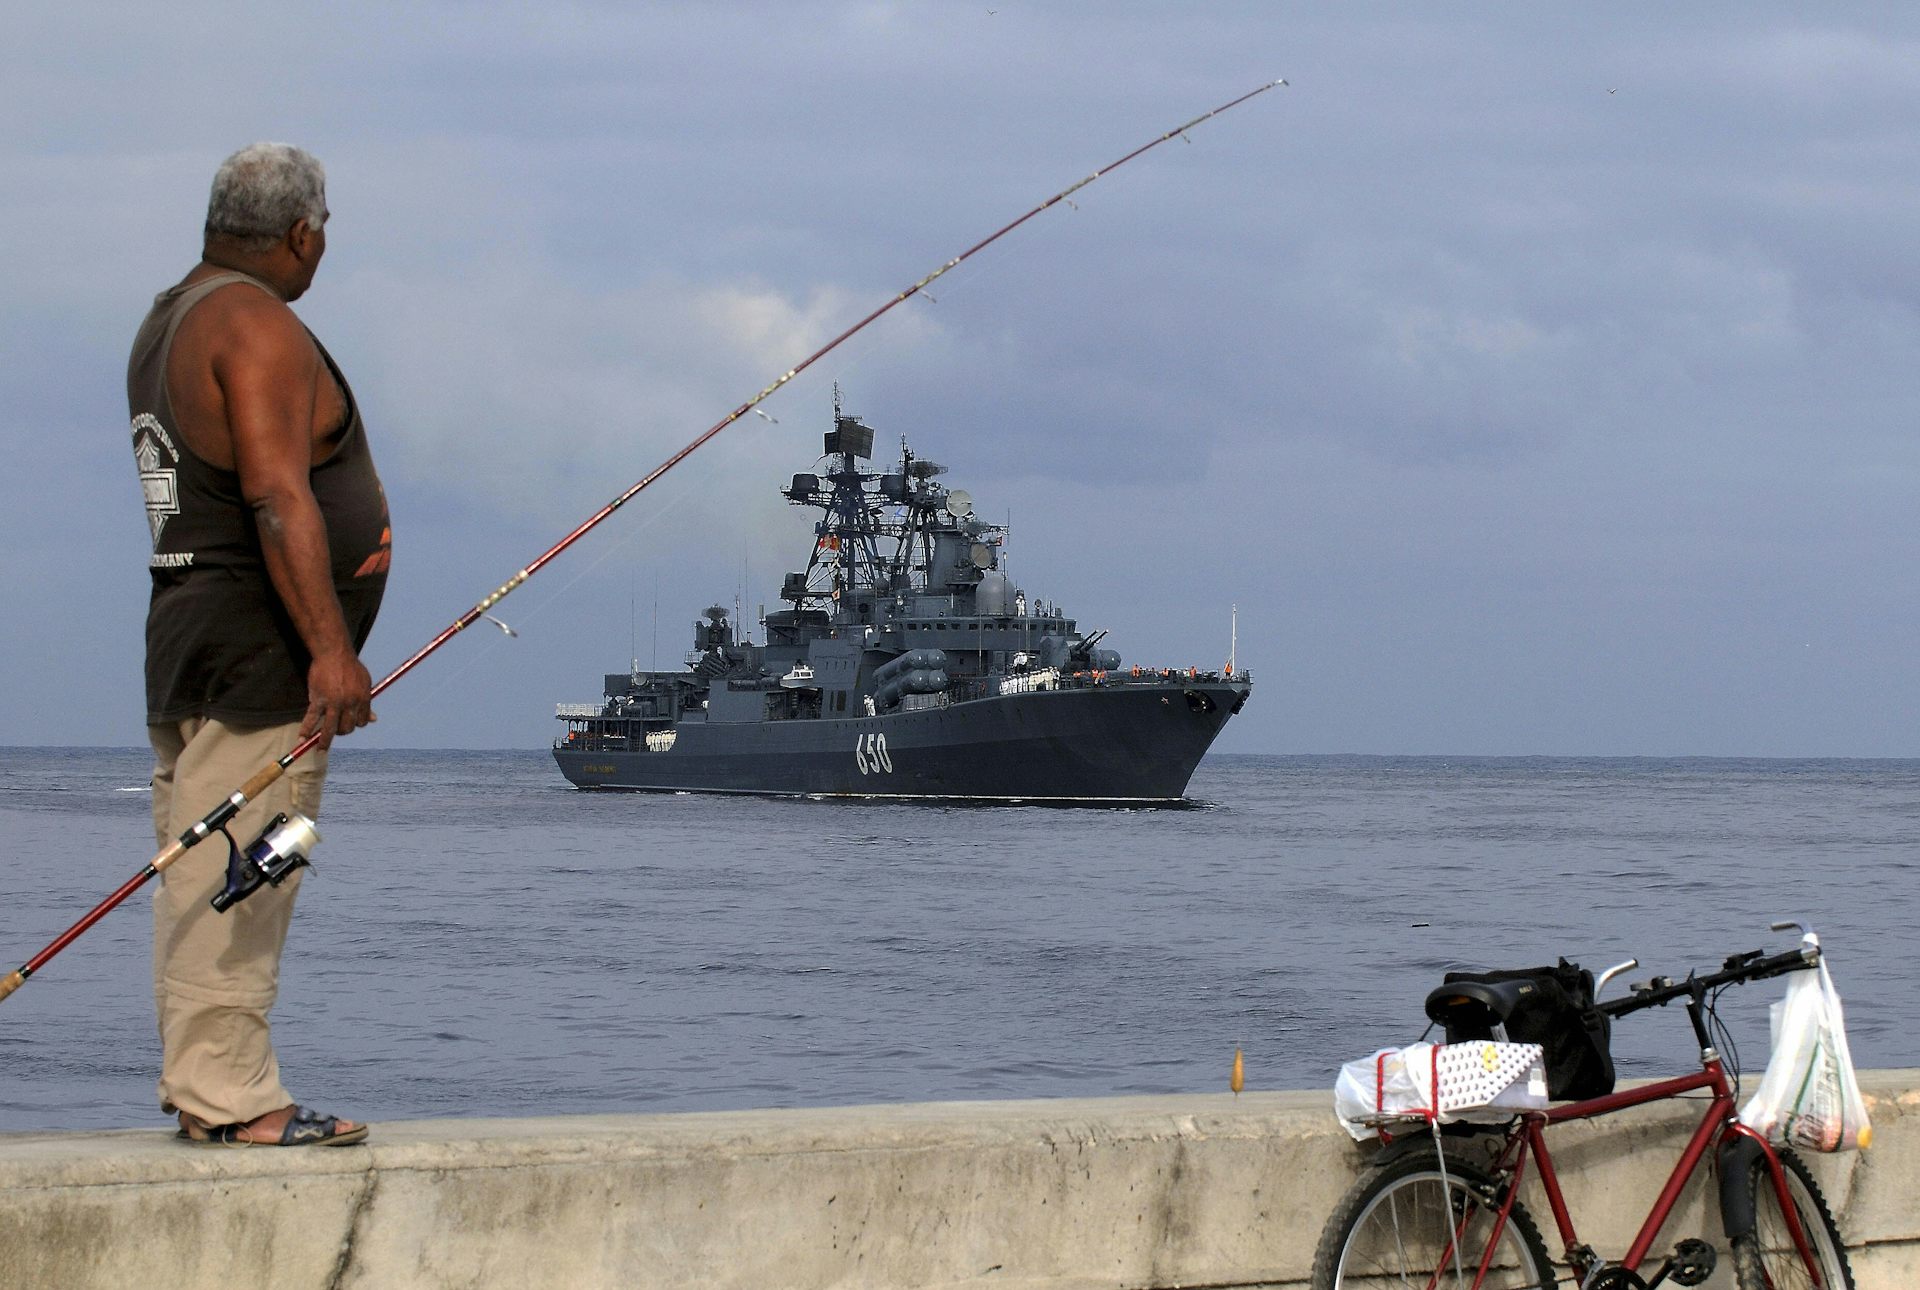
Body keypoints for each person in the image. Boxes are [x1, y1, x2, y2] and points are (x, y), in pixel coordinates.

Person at [126, 142, 391, 1147]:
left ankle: (205, 1088)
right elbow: (277, 495)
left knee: (201, 866)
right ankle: (234, 1100)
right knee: (250, 865)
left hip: (188, 637)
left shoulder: (171, 320)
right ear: (300, 232)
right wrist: (330, 650)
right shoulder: (260, 327)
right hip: (258, 657)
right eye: (323, 235)